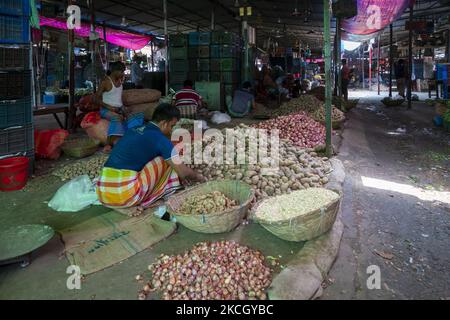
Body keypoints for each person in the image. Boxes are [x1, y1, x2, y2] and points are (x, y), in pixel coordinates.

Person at [97, 103, 205, 216]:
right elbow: (184, 173)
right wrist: (199, 177)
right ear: (163, 123)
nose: (171, 131)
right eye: (171, 126)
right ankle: (152, 197)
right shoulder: (160, 139)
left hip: (103, 191)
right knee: (166, 161)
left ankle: (119, 205)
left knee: (157, 158)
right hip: (125, 194)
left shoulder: (134, 129)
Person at [96, 61, 144, 151]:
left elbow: (117, 98)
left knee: (137, 116)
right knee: (117, 118)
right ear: (114, 71)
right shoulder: (105, 82)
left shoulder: (120, 81)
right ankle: (114, 143)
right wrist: (109, 107)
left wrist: (123, 108)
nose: (123, 74)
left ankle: (131, 138)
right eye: (121, 71)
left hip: (119, 108)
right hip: (106, 110)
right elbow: (95, 99)